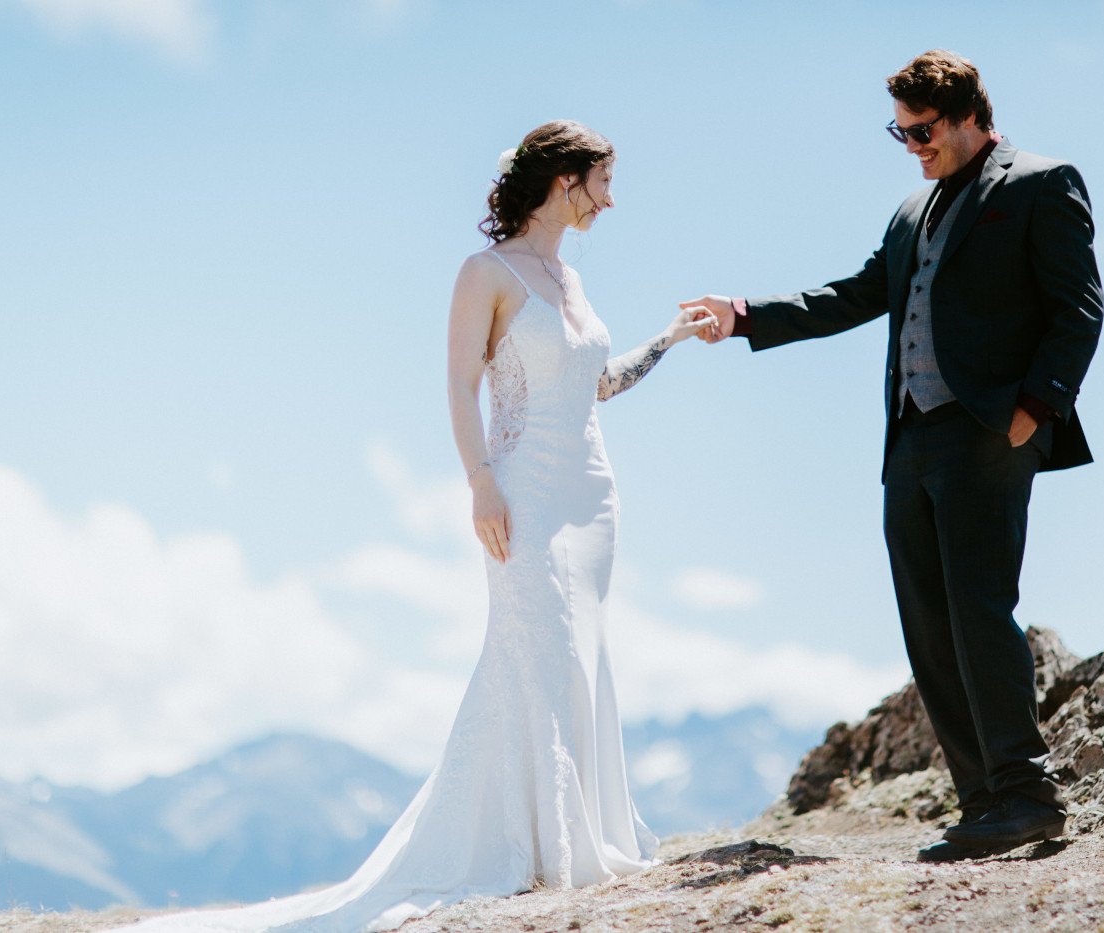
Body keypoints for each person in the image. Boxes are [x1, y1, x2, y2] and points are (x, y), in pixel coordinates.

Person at [121, 120, 715, 932]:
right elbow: (458, 386)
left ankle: (581, 837)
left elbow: (598, 385)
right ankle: (531, 846)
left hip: (593, 494)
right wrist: (479, 484)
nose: (613, 199)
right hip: (523, 491)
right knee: (537, 651)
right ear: (563, 179)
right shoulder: (488, 272)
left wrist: (671, 338)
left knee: (585, 655)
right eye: (603, 182)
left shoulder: (572, 281)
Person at [682, 50, 1103, 863]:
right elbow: (856, 294)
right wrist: (741, 315)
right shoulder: (911, 210)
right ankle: (983, 801)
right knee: (927, 620)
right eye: (901, 132)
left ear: (973, 114)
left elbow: (1078, 307)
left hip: (988, 429)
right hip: (909, 439)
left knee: (980, 607)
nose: (913, 146)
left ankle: (1028, 791)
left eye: (924, 130)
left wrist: (1033, 411)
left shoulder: (1042, 182)